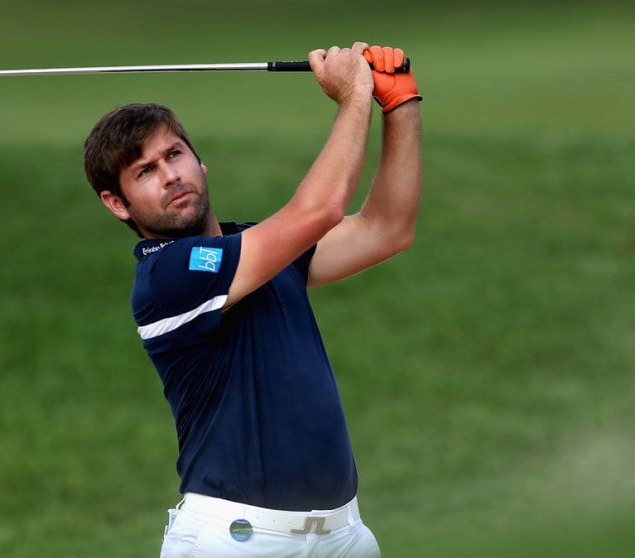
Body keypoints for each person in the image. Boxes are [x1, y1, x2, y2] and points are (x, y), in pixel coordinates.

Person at [82, 42, 421, 558]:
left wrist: (399, 104)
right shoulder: (169, 274)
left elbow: (386, 228)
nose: (170, 175)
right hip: (239, 539)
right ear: (116, 203)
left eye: (174, 154)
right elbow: (322, 209)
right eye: (144, 172)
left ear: (200, 160)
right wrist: (354, 95)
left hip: (344, 536)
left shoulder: (256, 249)